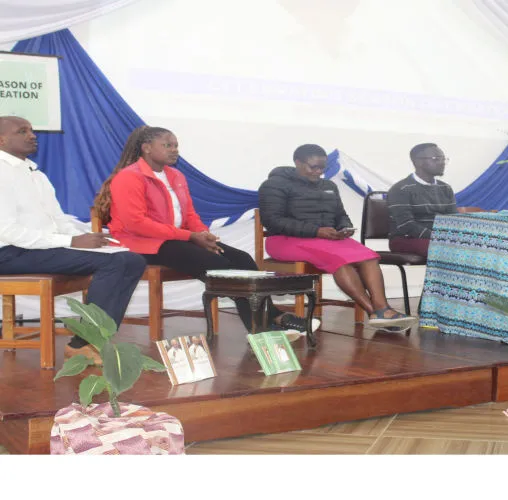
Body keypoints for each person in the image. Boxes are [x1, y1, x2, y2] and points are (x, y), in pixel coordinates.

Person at [95, 126, 312, 334]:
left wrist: (202, 234)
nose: (174, 150)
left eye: (176, 145)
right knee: (219, 265)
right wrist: (191, 236)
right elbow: (136, 223)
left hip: (174, 240)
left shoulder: (176, 176)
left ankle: (265, 322)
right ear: (147, 148)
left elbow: (189, 214)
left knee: (242, 259)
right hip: (141, 244)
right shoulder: (129, 177)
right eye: (167, 145)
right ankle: (267, 323)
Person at [0, 116, 146, 366]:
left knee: (132, 260)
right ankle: (82, 344)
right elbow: (7, 232)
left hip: (39, 248)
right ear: (2, 139)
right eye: (22, 131)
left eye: (31, 130)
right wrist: (70, 240)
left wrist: (85, 239)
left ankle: (97, 339)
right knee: (113, 264)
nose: (32, 135)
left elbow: (57, 219)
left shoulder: (35, 174)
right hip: (9, 253)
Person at [258, 144, 416, 328]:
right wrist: (316, 231)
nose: (318, 172)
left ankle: (382, 308)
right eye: (313, 167)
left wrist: (344, 227)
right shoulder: (274, 185)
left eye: (322, 168)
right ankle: (373, 312)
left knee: (369, 256)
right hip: (285, 240)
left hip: (326, 239)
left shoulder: (329, 185)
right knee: (340, 259)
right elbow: (273, 221)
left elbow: (340, 214)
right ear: (298, 163)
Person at [387, 143, 457, 257]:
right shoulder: (400, 189)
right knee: (448, 250)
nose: (442, 162)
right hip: (406, 239)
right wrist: (439, 237)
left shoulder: (445, 188)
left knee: (480, 246)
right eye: (436, 159)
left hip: (437, 239)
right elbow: (406, 225)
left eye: (443, 159)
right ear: (418, 162)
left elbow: (453, 220)